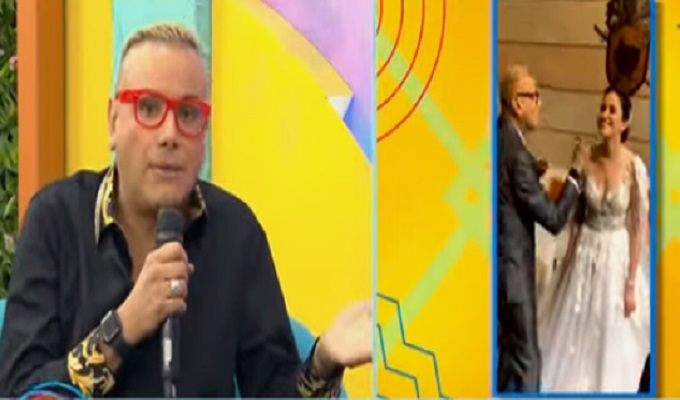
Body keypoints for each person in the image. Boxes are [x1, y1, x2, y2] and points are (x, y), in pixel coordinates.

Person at [0, 23, 371, 398]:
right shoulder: (55, 219)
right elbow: (21, 390)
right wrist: (124, 327)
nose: (170, 134)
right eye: (148, 108)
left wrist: (323, 361)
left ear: (204, 133)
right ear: (113, 121)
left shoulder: (236, 234)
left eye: (189, 114)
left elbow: (272, 391)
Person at [537, 87, 650, 392]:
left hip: (616, 255)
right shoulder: (587, 159)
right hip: (586, 250)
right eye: (602, 108)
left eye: (612, 110)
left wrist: (630, 283)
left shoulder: (635, 167)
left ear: (625, 122)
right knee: (576, 325)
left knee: (609, 329)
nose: (604, 115)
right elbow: (576, 217)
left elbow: (637, 226)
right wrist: (567, 261)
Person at [496, 64, 586, 393]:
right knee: (528, 362)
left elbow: (505, 178)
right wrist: (574, 175)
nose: (540, 103)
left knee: (509, 360)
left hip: (498, 270)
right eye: (534, 96)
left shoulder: (500, 135)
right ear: (517, 103)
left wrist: (531, 172)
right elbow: (553, 219)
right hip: (513, 276)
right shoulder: (518, 155)